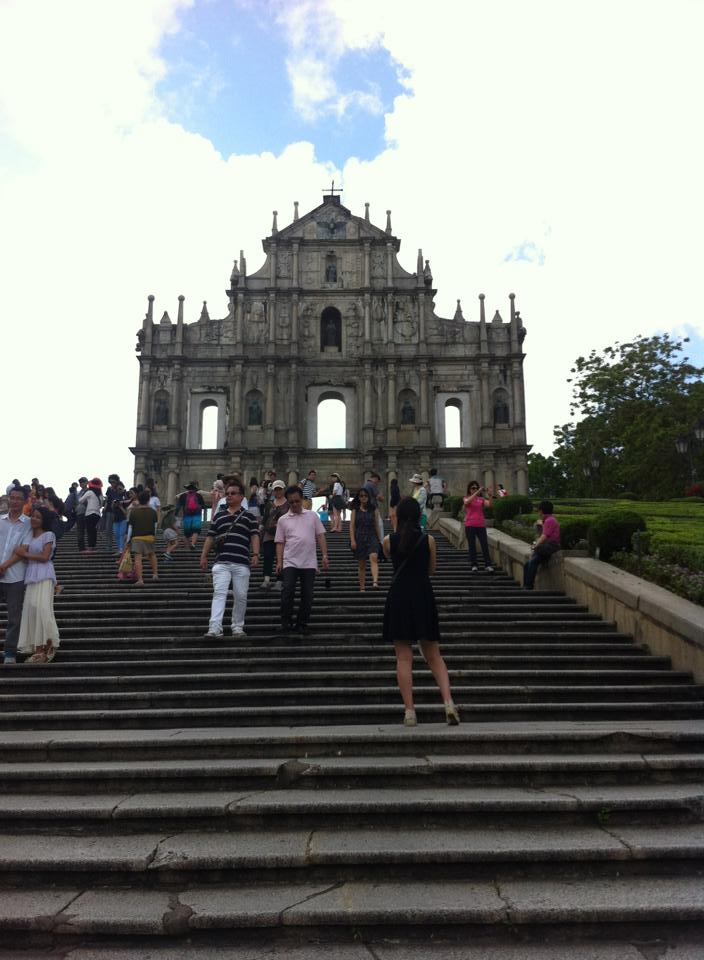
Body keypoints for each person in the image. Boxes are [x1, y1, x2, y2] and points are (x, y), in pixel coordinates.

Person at [382, 496, 459, 726]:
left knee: (403, 658)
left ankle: (410, 711)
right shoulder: (429, 540)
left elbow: (390, 558)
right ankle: (448, 703)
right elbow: (431, 570)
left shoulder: (388, 541)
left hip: (399, 596)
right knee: (434, 655)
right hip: (423, 595)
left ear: (398, 516)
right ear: (418, 516)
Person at [200, 480, 260, 638]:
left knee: (241, 596)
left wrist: (255, 554)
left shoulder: (249, 517)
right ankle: (215, 627)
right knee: (219, 594)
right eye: (227, 494)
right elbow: (210, 537)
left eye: (233, 493)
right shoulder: (219, 516)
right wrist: (204, 555)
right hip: (222, 561)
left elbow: (255, 535)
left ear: (241, 496)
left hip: (242, 562)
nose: (229, 496)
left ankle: (237, 627)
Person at [275, 485, 329, 635]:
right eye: (291, 502)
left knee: (307, 594)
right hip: (290, 561)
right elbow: (279, 542)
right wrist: (279, 561)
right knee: (287, 592)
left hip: (309, 562)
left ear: (302, 500)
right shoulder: (283, 520)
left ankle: (302, 624)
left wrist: (324, 555)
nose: (294, 504)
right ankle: (286, 622)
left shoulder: (312, 516)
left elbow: (320, 536)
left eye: (297, 501)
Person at [15, 506, 60, 664]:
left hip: (45, 574)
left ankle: (48, 644)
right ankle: (38, 648)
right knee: (32, 609)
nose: (34, 519)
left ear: (44, 520)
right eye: (33, 516)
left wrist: (24, 554)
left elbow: (45, 557)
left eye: (38, 517)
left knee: (42, 608)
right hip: (31, 574)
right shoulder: (29, 536)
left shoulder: (49, 535)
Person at [0, 487, 32, 664]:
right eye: (12, 498)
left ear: (25, 501)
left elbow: (23, 549)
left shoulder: (28, 524)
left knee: (14, 617)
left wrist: (4, 565)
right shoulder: (0, 521)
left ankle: (10, 652)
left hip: (16, 577)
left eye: (18, 498)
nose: (14, 501)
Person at [524, 500, 561, 590]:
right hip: (547, 546)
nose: (538, 513)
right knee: (527, 564)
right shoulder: (548, 520)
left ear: (541, 511)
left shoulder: (549, 521)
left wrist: (535, 546)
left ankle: (528, 586)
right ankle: (526, 585)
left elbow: (544, 536)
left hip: (550, 546)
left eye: (538, 510)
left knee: (532, 562)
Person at [260, 480, 289, 591]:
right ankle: (266, 579)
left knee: (280, 557)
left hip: (283, 535)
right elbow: (265, 518)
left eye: (280, 489)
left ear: (284, 489)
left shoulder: (288, 504)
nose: (278, 491)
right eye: (276, 489)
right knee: (268, 556)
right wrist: (261, 529)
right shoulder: (269, 504)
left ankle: (279, 580)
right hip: (269, 534)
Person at [349, 488, 380, 590]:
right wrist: (353, 540)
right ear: (358, 498)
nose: (363, 497)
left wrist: (379, 539)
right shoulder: (355, 510)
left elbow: (377, 525)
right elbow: (352, 526)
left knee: (373, 557)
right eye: (361, 496)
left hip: (372, 535)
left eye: (365, 495)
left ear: (368, 497)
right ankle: (362, 588)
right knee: (362, 565)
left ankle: (375, 582)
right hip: (359, 537)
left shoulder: (374, 509)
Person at [126, 491, 159, 586]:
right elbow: (155, 526)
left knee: (137, 558)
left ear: (139, 500)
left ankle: (140, 580)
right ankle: (155, 574)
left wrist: (128, 540)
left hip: (137, 537)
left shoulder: (133, 512)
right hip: (149, 536)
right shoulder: (153, 512)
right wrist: (154, 536)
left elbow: (130, 527)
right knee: (152, 555)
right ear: (148, 500)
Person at [463, 481, 494, 572]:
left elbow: (490, 505)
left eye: (476, 488)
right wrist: (477, 492)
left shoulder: (481, 499)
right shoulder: (466, 498)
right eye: (473, 488)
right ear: (469, 489)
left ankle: (488, 564)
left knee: (484, 544)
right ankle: (474, 564)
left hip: (480, 525)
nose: (475, 489)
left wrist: (490, 496)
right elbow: (466, 502)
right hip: (470, 525)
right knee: (472, 545)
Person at [175, 482, 207, 550]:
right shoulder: (198, 495)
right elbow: (204, 506)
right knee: (196, 530)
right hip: (197, 515)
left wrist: (175, 514)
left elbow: (178, 507)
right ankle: (193, 544)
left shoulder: (183, 496)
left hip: (187, 515)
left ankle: (187, 547)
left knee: (186, 532)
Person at [78, 478, 103, 554]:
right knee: (94, 531)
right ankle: (93, 546)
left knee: (89, 531)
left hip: (89, 513)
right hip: (97, 514)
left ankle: (90, 547)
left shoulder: (89, 492)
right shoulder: (100, 495)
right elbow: (101, 505)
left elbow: (80, 500)